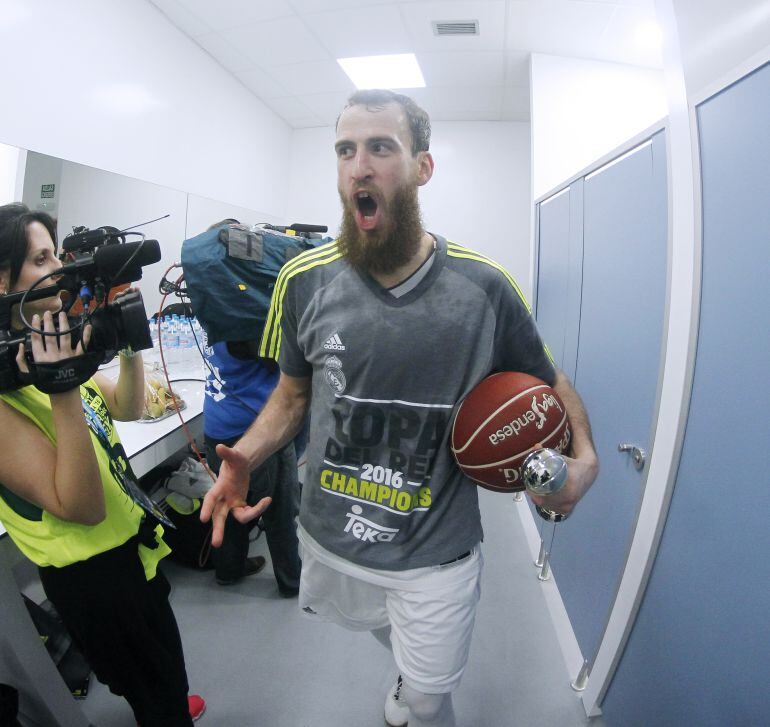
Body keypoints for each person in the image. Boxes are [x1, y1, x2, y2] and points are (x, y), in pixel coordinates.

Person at [201, 90, 599, 727]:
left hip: (434, 549)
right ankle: (407, 671)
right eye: (345, 150)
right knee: (389, 643)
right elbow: (292, 396)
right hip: (331, 536)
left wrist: (585, 457)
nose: (360, 165)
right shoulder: (301, 281)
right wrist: (244, 456)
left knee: (425, 695)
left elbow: (550, 381)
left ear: (422, 167)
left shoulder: (483, 287)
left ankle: (411, 698)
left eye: (381, 147)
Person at [0, 203, 205, 725]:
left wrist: (126, 335)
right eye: (42, 258)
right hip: (95, 580)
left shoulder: (50, 342)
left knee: (166, 673)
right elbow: (83, 507)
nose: (59, 266)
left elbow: (128, 406)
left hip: (132, 550)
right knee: (153, 694)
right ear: (4, 281)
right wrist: (63, 386)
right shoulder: (11, 395)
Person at [201, 220, 301, 594]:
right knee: (278, 511)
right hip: (258, 431)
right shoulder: (247, 318)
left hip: (218, 429)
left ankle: (229, 571)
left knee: (229, 504)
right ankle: (292, 581)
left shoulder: (211, 303)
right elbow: (287, 366)